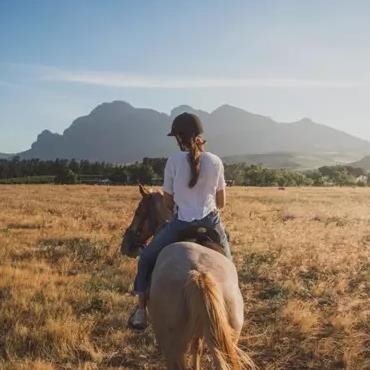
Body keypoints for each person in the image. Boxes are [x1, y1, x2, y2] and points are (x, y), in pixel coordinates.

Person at [129, 112, 231, 329]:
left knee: (146, 257)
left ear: (178, 138)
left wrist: (181, 206)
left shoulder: (173, 161)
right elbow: (221, 203)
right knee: (229, 266)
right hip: (211, 222)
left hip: (181, 223)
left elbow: (167, 202)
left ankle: (140, 310)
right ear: (199, 135)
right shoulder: (216, 161)